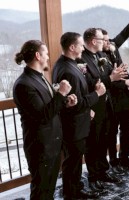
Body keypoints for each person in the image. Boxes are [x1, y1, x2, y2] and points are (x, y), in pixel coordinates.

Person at [13, 40, 76, 199]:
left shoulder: (38, 77)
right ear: (38, 55)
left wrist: (65, 102)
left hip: (52, 143)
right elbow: (42, 116)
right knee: (41, 190)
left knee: (49, 188)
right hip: (40, 147)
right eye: (46, 53)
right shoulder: (24, 84)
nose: (48, 57)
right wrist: (61, 94)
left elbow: (49, 106)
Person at [52, 32, 105, 199]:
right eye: (81, 45)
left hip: (77, 122)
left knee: (74, 162)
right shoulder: (67, 70)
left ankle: (75, 188)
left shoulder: (67, 64)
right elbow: (76, 103)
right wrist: (97, 94)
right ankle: (72, 193)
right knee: (73, 162)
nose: (83, 48)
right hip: (73, 125)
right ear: (72, 47)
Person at [81, 28, 127, 191]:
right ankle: (94, 177)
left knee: (104, 140)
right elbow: (88, 82)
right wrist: (110, 78)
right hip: (94, 108)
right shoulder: (82, 58)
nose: (106, 43)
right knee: (93, 143)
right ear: (93, 41)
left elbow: (108, 75)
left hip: (108, 105)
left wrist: (114, 74)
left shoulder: (101, 55)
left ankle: (103, 171)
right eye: (102, 40)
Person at [101, 8, 129, 169]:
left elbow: (124, 34)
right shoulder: (98, 57)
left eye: (108, 40)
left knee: (126, 129)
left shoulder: (113, 45)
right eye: (104, 41)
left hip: (125, 97)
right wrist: (125, 82)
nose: (108, 43)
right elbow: (105, 80)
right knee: (112, 131)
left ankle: (125, 159)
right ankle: (113, 160)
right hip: (111, 99)